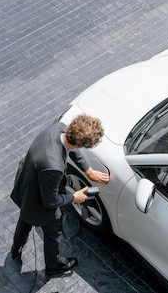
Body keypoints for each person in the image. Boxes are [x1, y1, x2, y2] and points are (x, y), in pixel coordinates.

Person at [10, 114, 110, 275]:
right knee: (53, 231)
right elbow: (50, 201)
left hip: (27, 186)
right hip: (39, 202)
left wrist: (88, 170)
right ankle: (53, 264)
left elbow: (72, 149)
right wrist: (74, 198)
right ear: (82, 144)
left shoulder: (59, 128)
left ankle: (15, 249)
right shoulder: (54, 166)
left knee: (25, 220)